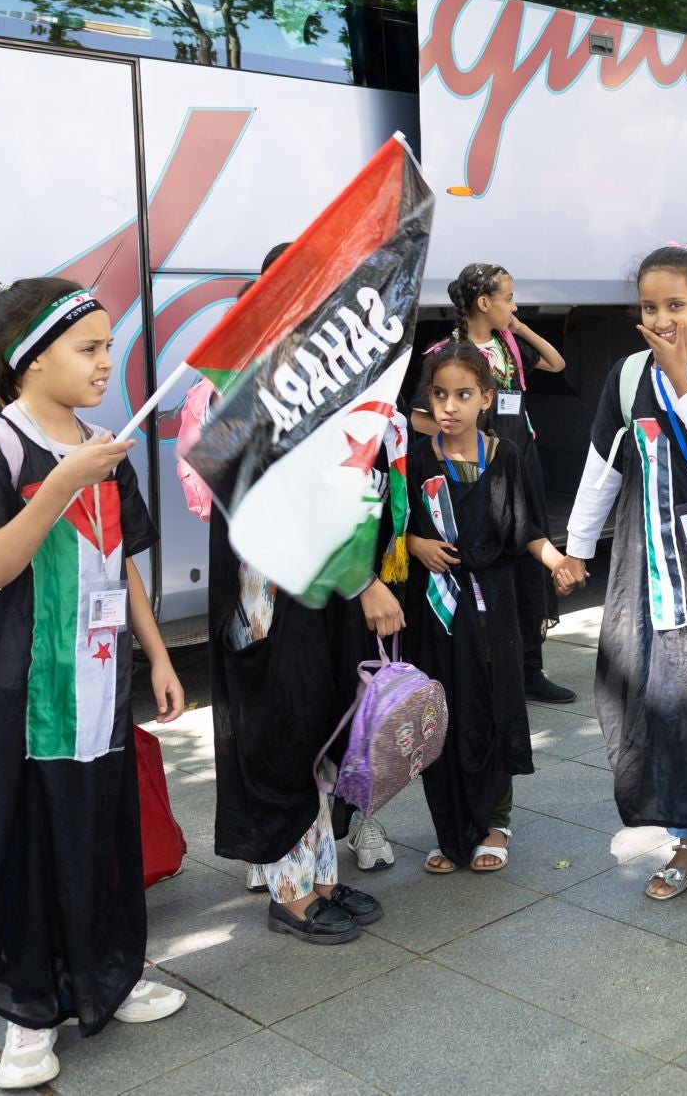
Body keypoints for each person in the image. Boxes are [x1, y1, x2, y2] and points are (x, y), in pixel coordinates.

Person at [0, 277, 189, 1090]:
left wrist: (162, 655)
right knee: (25, 845)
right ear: (30, 361)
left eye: (111, 346)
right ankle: (27, 1014)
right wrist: (67, 481)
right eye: (90, 348)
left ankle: (111, 972)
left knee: (102, 830)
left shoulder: (107, 440)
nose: (110, 363)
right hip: (11, 698)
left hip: (98, 685)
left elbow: (124, 562)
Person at [559, 247, 687, 909]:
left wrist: (683, 381)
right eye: (650, 308)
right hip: (650, 569)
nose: (663, 319)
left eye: (676, 305)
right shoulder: (626, 377)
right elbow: (602, 467)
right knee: (660, 700)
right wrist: (574, 549)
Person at [208, 242, 396, 941]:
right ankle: (290, 895)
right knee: (286, 744)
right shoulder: (255, 395)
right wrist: (367, 578)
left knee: (317, 739)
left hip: (312, 607)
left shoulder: (310, 391)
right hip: (271, 612)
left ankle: (321, 878)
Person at [405, 345, 576, 874]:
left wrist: (556, 561)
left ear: (485, 398)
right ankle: (451, 829)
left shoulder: (505, 456)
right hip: (436, 608)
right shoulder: (413, 458)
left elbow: (527, 528)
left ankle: (496, 821)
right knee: (444, 713)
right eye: (439, 394)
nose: (449, 406)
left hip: (493, 606)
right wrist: (415, 545)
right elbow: (391, 528)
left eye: (462, 395)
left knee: (495, 706)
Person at [425, 264, 576, 705]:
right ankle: (484, 666)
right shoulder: (449, 354)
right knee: (485, 564)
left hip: (521, 461)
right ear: (483, 302)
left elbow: (555, 361)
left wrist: (519, 326)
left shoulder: (508, 346)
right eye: (508, 299)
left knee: (529, 557)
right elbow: (421, 417)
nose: (514, 306)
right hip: (478, 469)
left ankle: (529, 667)